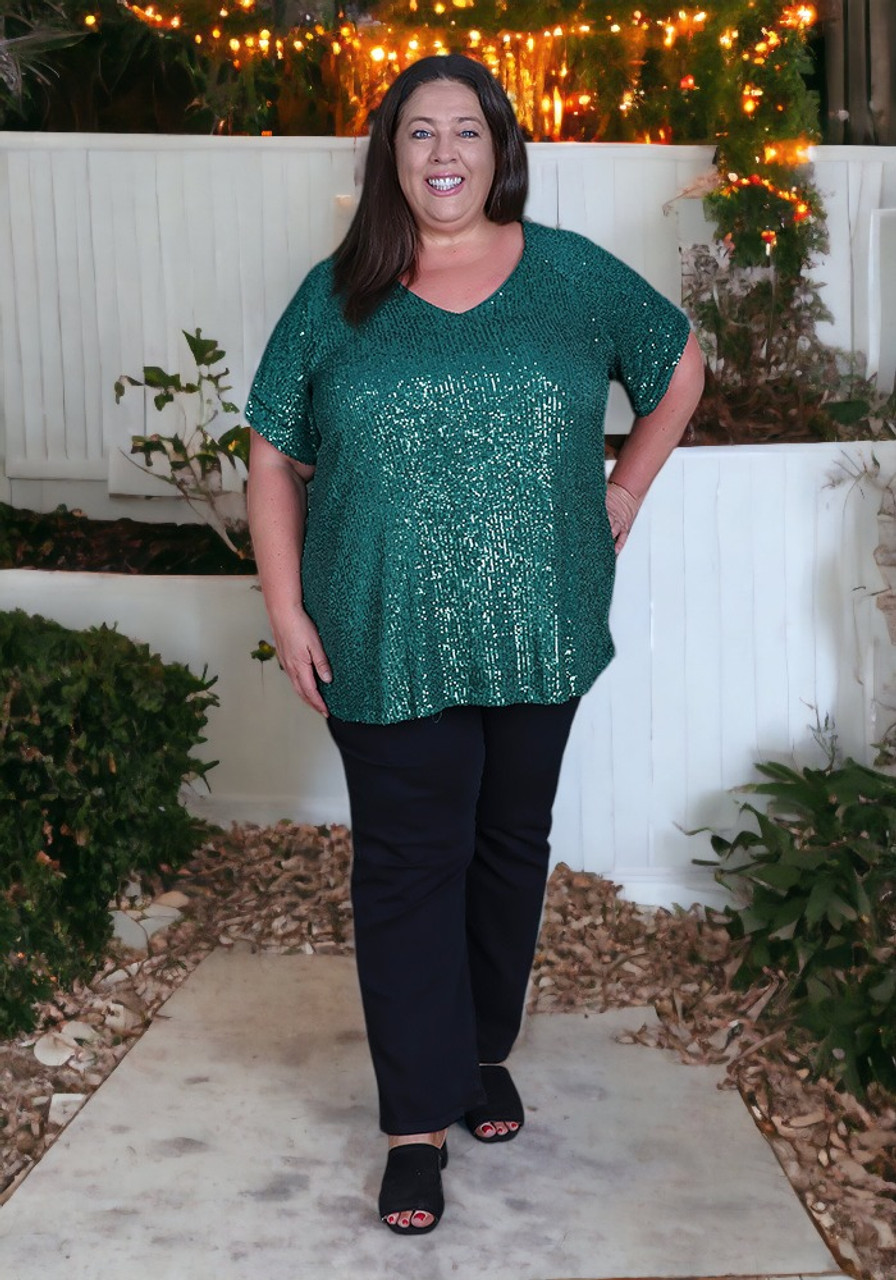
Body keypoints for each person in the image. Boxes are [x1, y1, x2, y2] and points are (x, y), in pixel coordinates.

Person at [244, 53, 705, 1236]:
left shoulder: (566, 276)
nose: (442, 154)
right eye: (417, 134)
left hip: (537, 620)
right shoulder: (338, 291)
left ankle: (478, 1049)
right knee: (408, 863)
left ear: (498, 149)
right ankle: (413, 1119)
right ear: (388, 157)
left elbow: (677, 361)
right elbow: (269, 453)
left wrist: (626, 488)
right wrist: (285, 608)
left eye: (464, 131)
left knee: (506, 848)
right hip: (379, 629)